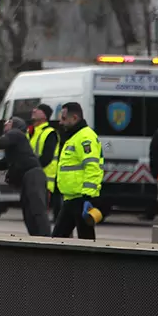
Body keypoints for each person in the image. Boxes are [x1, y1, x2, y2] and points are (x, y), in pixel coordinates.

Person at [51, 102, 103, 240]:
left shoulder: (85, 137)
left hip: (81, 198)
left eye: (63, 118)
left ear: (74, 118)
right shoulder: (73, 137)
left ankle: (87, 262)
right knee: (60, 239)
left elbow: (93, 167)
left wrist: (88, 197)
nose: (60, 122)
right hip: (71, 198)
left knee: (82, 240)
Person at [28, 104, 61, 222]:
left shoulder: (50, 133)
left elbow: (46, 158)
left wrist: (30, 167)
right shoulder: (31, 132)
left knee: (40, 216)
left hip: (45, 180)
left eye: (38, 109)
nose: (34, 110)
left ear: (45, 116)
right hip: (31, 178)